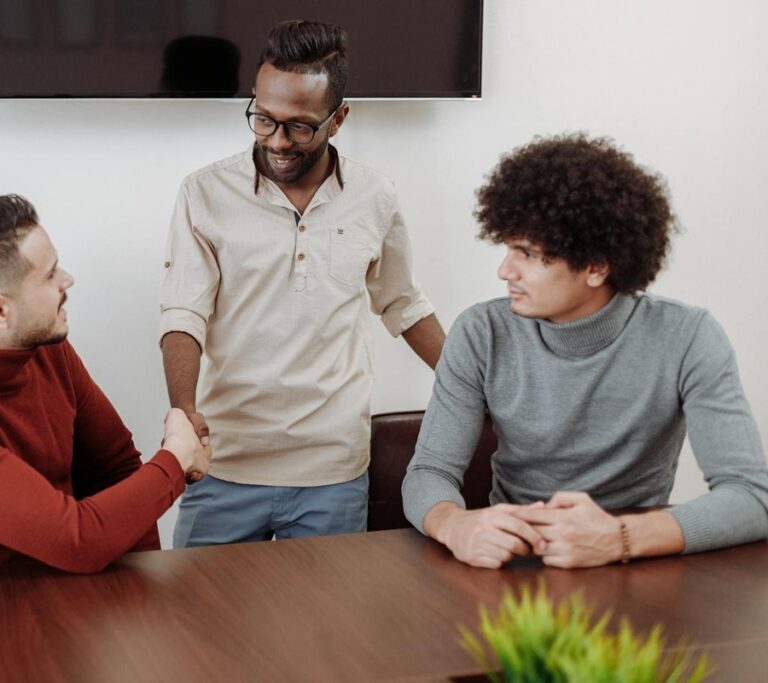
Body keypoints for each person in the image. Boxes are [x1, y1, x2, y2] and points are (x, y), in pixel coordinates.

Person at [402, 134, 768, 569]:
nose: (505, 270)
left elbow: (751, 497)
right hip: (515, 561)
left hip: (636, 562)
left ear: (595, 266)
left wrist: (619, 538)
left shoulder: (688, 337)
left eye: (528, 253)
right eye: (507, 247)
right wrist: (454, 524)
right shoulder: (482, 332)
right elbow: (429, 473)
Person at [160, 20, 445, 547]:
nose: (278, 141)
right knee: (202, 625)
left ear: (338, 119)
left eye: (299, 126)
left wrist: (473, 386)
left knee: (323, 630)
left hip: (332, 470)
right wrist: (184, 410)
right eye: (263, 120)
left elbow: (403, 303)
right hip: (225, 463)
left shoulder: (376, 195)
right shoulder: (203, 193)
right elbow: (184, 314)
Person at [0, 195, 210, 584]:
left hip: (62, 605)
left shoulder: (48, 352)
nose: (67, 280)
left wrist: (138, 597)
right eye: (49, 275)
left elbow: (115, 468)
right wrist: (176, 460)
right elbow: (77, 541)